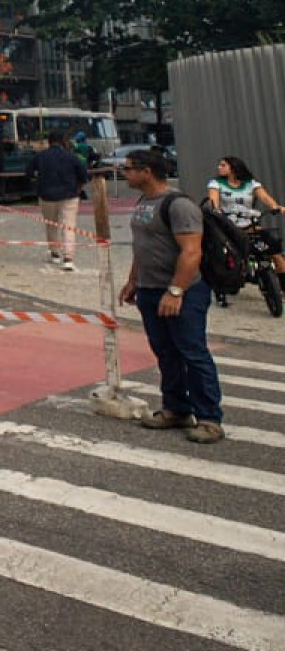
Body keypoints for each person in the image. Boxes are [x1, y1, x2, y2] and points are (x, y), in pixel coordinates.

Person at [120, 148, 222, 443]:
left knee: (192, 352)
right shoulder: (143, 202)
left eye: (128, 169)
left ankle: (209, 418)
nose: (124, 174)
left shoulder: (179, 205)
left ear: (146, 171)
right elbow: (143, 245)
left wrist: (176, 290)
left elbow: (192, 252)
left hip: (183, 292)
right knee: (166, 352)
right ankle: (176, 408)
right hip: (150, 291)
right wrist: (133, 280)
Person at [206, 155, 284, 304]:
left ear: (233, 168)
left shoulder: (251, 184)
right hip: (228, 226)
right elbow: (213, 200)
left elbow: (265, 197)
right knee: (223, 255)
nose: (219, 168)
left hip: (249, 224)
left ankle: (282, 285)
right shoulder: (216, 184)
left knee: (274, 250)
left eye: (223, 165)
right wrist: (215, 210)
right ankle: (221, 287)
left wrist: (275, 207)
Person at [30, 131, 89, 271]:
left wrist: (39, 181)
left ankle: (55, 253)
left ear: (48, 142)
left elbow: (28, 172)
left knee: (51, 225)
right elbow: (84, 175)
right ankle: (68, 258)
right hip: (69, 196)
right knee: (69, 226)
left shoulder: (40, 156)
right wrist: (78, 188)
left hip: (47, 196)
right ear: (63, 141)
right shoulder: (71, 157)